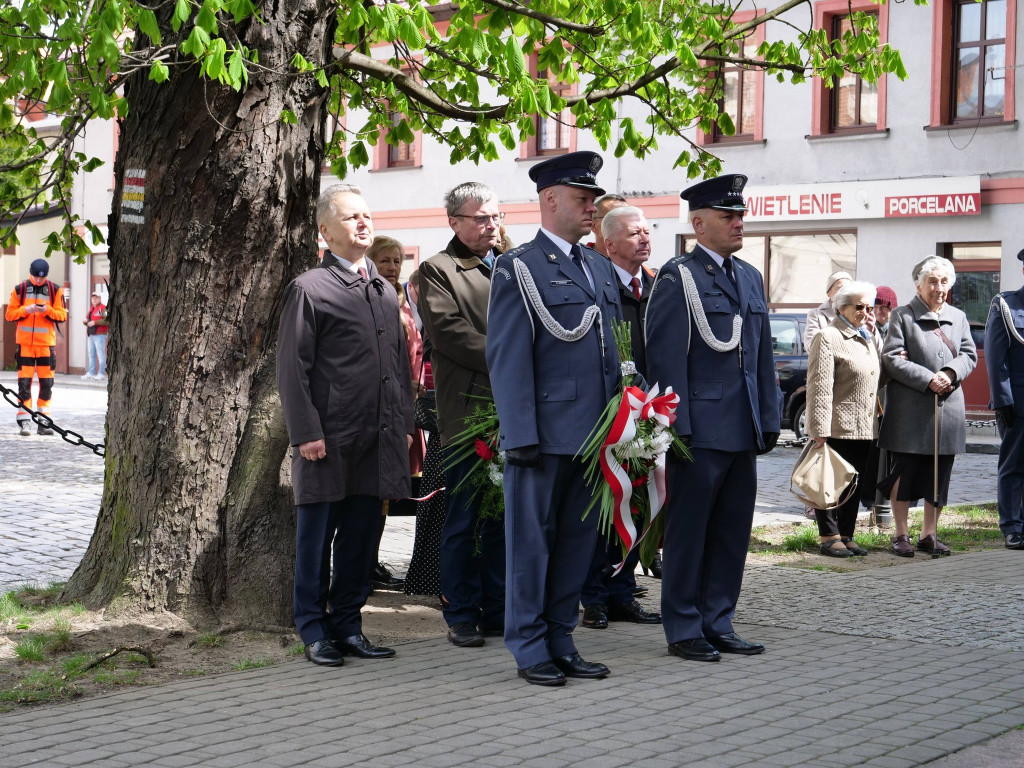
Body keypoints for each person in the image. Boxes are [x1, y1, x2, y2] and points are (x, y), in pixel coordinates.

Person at [486, 151, 621, 686]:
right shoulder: (519, 266)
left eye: (593, 198)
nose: (591, 207)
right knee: (531, 545)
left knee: (576, 545)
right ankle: (529, 645)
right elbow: (508, 356)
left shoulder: (599, 266)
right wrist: (519, 433)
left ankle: (562, 637)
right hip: (541, 436)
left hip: (592, 437)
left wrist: (624, 426)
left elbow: (613, 353)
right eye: (581, 198)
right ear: (550, 199)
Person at [645, 173, 780, 663]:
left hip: (740, 424)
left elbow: (760, 354)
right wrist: (676, 427)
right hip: (699, 427)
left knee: (730, 531)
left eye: (740, 215)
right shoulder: (678, 276)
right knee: (690, 531)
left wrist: (768, 415)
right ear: (699, 223)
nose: (738, 223)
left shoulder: (749, 276)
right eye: (728, 216)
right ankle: (683, 626)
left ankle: (718, 619)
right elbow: (665, 358)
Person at [277, 185, 413, 666]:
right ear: (325, 230)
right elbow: (292, 368)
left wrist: (406, 424)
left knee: (361, 537)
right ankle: (314, 629)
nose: (363, 223)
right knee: (316, 539)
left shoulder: (381, 287)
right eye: (351, 216)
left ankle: (349, 625)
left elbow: (399, 364)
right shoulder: (309, 288)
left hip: (378, 437)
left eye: (367, 215)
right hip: (328, 438)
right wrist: (306, 431)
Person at [419, 181, 507, 648]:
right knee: (465, 515)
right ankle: (461, 611)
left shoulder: (513, 266)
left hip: (516, 409)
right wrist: (514, 357)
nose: (490, 225)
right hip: (469, 413)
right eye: (480, 218)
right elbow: (451, 334)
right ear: (454, 222)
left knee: (503, 518)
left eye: (495, 216)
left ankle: (498, 607)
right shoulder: (437, 270)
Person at [580, 204, 661, 631]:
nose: (644, 239)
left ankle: (623, 590)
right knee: (602, 505)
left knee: (636, 500)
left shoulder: (654, 284)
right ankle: (593, 596)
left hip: (646, 409)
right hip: (606, 412)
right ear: (608, 243)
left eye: (647, 231)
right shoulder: (595, 281)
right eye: (634, 234)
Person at [879, 256, 977, 557]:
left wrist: (949, 373)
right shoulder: (902, 316)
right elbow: (892, 358)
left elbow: (969, 354)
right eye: (933, 281)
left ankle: (929, 534)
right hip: (910, 410)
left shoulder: (958, 317)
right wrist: (927, 378)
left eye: (944, 281)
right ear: (919, 284)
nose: (939, 287)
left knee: (939, 474)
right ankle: (900, 534)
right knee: (904, 474)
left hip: (947, 410)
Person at [805, 281, 882, 558]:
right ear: (842, 308)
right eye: (858, 306)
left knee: (854, 483)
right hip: (836, 425)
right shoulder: (828, 336)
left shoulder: (867, 337)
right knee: (830, 483)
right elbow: (819, 386)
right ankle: (828, 536)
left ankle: (847, 534)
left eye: (869, 307)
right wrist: (819, 430)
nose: (865, 312)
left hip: (864, 425)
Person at [367, 235, 423, 589]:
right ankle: (362, 560)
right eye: (384, 260)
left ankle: (372, 559)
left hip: (406, 410)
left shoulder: (403, 307)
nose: (391, 268)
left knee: (390, 492)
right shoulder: (371, 304)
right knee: (371, 490)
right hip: (378, 411)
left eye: (397, 261)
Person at [984, 248, 1024, 550]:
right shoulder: (1006, 305)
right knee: (1013, 465)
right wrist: (1002, 400)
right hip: (1016, 403)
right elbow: (996, 359)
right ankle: (1011, 526)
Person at [5, 259, 68, 436]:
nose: (39, 281)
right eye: (35, 277)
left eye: (42, 278)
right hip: (25, 345)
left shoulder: (55, 290)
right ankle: (25, 421)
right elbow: (9, 314)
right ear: (30, 273)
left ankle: (43, 421)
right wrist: (27, 310)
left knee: (46, 384)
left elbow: (62, 315)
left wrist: (47, 310)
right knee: (24, 384)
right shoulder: (20, 289)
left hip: (46, 345)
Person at [804, 271, 851, 348]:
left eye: (848, 289)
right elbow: (811, 346)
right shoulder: (816, 315)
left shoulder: (859, 312)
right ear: (828, 292)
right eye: (839, 288)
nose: (844, 293)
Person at [82, 292, 108, 381]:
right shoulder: (92, 309)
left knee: (101, 354)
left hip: (100, 334)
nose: (94, 299)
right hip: (91, 334)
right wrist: (85, 321)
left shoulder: (103, 308)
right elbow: (87, 321)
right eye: (93, 298)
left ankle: (101, 373)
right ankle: (91, 372)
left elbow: (107, 320)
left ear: (100, 299)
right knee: (91, 354)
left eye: (96, 298)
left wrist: (95, 322)